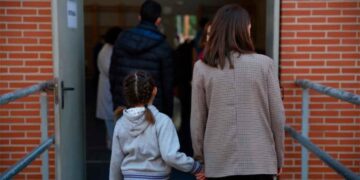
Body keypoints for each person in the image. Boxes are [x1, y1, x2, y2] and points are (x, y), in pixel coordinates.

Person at [190, 4, 285, 180]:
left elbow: (197, 120)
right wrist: (278, 157)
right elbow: (277, 116)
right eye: (249, 26)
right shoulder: (265, 65)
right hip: (260, 160)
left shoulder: (202, 68)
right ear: (244, 30)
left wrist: (200, 161)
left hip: (217, 161)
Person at [109, 71, 205, 180]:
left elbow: (115, 162)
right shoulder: (163, 121)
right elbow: (170, 156)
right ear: (154, 91)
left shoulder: (121, 123)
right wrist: (196, 167)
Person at [110, 0, 173, 117]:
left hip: (124, 107)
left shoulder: (121, 39)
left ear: (139, 18)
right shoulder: (163, 46)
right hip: (152, 111)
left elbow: (112, 75)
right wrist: (168, 115)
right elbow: (168, 85)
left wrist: (116, 102)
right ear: (158, 21)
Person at [96, 26, 122, 149]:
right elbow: (109, 69)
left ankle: (112, 144)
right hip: (108, 87)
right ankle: (113, 146)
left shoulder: (109, 49)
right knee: (111, 120)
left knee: (112, 119)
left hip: (110, 87)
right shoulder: (106, 51)